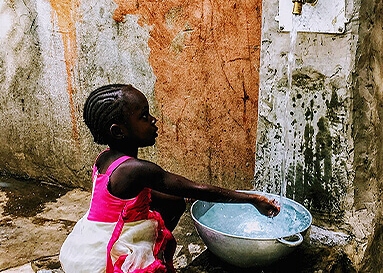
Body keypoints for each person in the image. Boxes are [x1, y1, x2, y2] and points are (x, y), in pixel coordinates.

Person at [59, 84, 279, 273]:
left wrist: (181, 194)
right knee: (176, 200)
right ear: (119, 131)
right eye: (144, 117)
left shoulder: (105, 158)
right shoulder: (136, 169)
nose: (154, 120)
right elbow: (198, 188)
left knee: (174, 201)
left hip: (96, 233)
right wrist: (251, 199)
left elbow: (124, 197)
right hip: (109, 249)